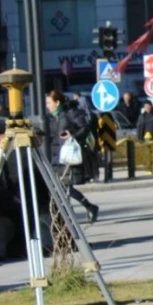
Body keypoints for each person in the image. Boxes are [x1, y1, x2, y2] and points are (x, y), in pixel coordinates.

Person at [44, 91, 100, 222]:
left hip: (68, 155)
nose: (47, 105)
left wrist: (73, 136)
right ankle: (88, 208)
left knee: (64, 187)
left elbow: (85, 127)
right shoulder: (51, 117)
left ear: (57, 103)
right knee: (61, 187)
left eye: (49, 103)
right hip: (56, 156)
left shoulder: (70, 113)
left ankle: (71, 215)